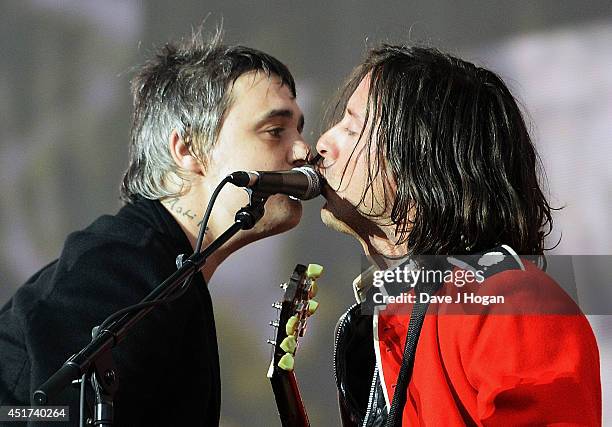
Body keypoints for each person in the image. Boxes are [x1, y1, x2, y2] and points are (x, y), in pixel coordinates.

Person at [0, 29, 310, 426]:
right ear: (187, 149)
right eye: (275, 131)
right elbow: (54, 416)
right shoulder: (121, 262)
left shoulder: (167, 269)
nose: (304, 150)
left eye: (299, 129)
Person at [315, 45, 601, 426]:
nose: (320, 144)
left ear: (421, 163)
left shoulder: (512, 301)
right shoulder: (389, 316)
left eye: (351, 128)